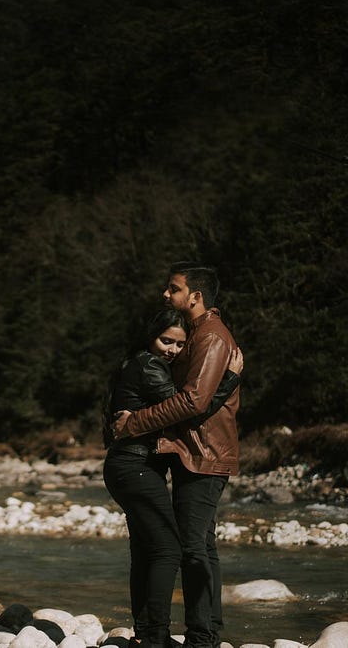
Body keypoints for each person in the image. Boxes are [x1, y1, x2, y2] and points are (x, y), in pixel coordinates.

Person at [113, 262, 242, 648]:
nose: (166, 295)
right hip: (191, 452)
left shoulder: (212, 338)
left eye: (173, 289)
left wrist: (134, 423)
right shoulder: (196, 335)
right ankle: (199, 633)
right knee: (198, 544)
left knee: (192, 546)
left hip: (204, 453)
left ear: (195, 297)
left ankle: (202, 637)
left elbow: (193, 400)